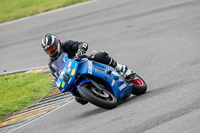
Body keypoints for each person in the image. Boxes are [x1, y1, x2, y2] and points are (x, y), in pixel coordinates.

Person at [41, 33, 134, 105]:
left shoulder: (67, 45)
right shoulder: (51, 64)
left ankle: (121, 69)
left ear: (57, 44)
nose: (51, 51)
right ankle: (97, 93)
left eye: (52, 48)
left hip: (84, 63)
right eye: (47, 50)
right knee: (79, 99)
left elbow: (83, 44)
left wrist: (79, 51)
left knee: (99, 56)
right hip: (73, 76)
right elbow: (56, 77)